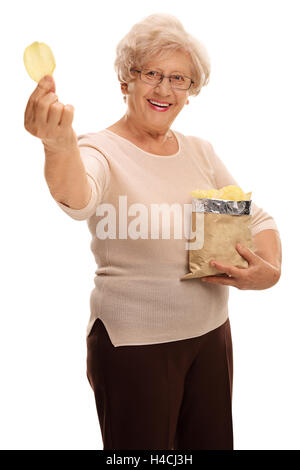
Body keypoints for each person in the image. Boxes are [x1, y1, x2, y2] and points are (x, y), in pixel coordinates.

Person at [24, 13, 282, 450]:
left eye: (179, 79)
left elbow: (256, 219)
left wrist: (270, 271)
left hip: (211, 336)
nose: (164, 90)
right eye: (151, 74)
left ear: (190, 92)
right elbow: (78, 198)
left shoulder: (200, 152)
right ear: (126, 81)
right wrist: (58, 144)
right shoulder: (100, 149)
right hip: (135, 348)